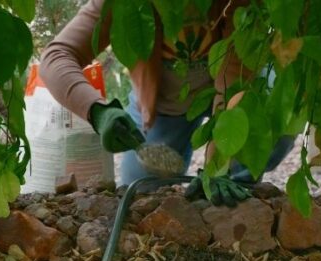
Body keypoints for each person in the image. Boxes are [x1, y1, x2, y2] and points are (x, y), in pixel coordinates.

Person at [40, 0, 294, 206]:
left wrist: (218, 164)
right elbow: (57, 56)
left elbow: (233, 85)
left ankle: (241, 186)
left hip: (233, 92)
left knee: (273, 115)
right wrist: (99, 112)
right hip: (164, 104)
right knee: (141, 191)